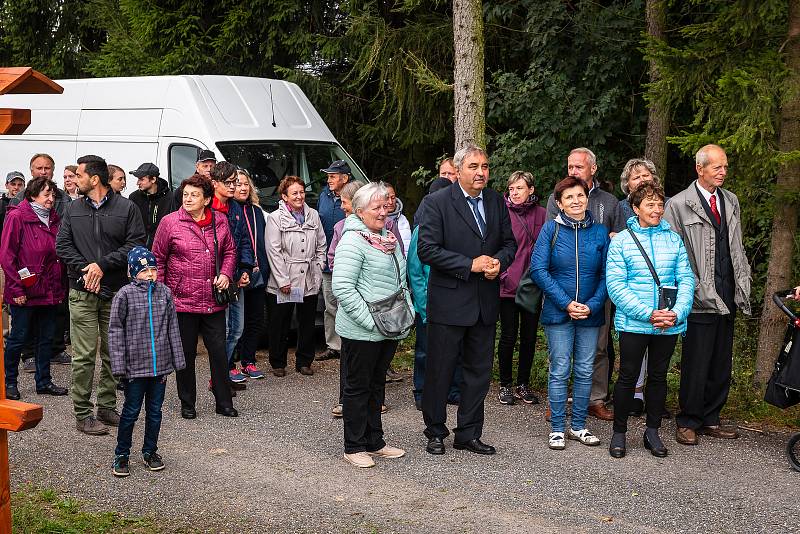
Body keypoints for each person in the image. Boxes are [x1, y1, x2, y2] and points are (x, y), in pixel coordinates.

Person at [418, 144, 517, 456]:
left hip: (485, 303)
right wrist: (469, 264)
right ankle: (435, 431)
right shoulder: (437, 202)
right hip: (449, 303)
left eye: (485, 166)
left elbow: (509, 243)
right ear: (458, 170)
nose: (481, 172)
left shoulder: (495, 201)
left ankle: (469, 433)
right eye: (474, 166)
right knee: (440, 371)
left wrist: (499, 262)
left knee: (478, 373)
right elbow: (427, 249)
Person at [663, 144, 751, 446]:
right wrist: (691, 287)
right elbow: (674, 254)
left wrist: (742, 281)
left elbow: (735, 246)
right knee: (696, 361)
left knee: (720, 360)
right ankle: (688, 420)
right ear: (700, 169)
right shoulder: (678, 204)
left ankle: (711, 417)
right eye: (717, 167)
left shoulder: (731, 201)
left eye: (725, 166)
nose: (723, 172)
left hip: (728, 291)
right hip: (699, 294)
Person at [55, 154, 146, 436]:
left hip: (115, 291)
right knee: (83, 355)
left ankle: (106, 406)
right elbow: (62, 246)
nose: (73, 180)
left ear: (94, 179)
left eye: (79, 176)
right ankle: (82, 413)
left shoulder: (127, 208)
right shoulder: (72, 209)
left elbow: (135, 244)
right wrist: (87, 270)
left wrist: (101, 266)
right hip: (82, 290)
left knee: (112, 353)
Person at [605, 182, 694, 458]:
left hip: (668, 323)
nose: (656, 210)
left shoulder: (674, 239)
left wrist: (677, 312)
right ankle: (619, 433)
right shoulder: (621, 241)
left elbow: (687, 278)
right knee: (628, 377)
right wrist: (648, 313)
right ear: (635, 208)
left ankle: (652, 432)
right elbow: (617, 286)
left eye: (659, 204)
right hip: (635, 322)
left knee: (658, 377)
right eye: (649, 205)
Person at [332, 181, 411, 468]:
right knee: (357, 388)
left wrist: (407, 310)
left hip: (388, 327)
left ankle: (374, 442)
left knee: (376, 386)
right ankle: (354, 446)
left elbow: (401, 280)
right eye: (376, 208)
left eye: (385, 206)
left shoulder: (386, 237)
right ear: (360, 211)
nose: (383, 212)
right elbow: (342, 288)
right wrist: (371, 322)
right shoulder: (353, 240)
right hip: (362, 330)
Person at [531, 176, 610, 450]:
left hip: (590, 311)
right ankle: (557, 428)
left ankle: (578, 425)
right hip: (558, 311)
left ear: (587, 198)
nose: (576, 201)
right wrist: (566, 303)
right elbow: (538, 270)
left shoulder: (600, 232)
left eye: (580, 196)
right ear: (559, 203)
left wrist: (593, 304)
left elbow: (606, 274)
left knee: (586, 369)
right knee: (560, 368)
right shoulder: (549, 230)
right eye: (569, 198)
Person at [151, 173, 238, 419]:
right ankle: (187, 402)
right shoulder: (170, 222)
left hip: (213, 299)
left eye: (194, 195)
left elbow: (230, 251)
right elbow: (157, 259)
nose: (188, 199)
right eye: (185, 194)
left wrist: (226, 274)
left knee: (219, 352)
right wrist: (162, 293)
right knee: (186, 354)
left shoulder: (220, 221)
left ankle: (224, 402)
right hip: (182, 300)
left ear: (207, 199)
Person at [545, 148, 618, 421]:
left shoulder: (610, 202)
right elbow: (547, 250)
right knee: (560, 353)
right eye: (570, 167)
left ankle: (595, 400)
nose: (573, 171)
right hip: (561, 289)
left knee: (598, 349)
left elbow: (620, 239)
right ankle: (558, 403)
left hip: (599, 287)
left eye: (578, 167)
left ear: (593, 169)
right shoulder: (557, 198)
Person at [110, 247, 186, 477]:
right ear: (133, 273)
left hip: (160, 367)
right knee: (131, 411)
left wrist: (178, 360)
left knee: (155, 411)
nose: (150, 274)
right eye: (144, 271)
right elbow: (115, 331)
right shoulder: (124, 295)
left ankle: (150, 451)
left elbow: (173, 327)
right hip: (135, 368)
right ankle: (121, 454)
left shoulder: (164, 293)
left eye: (153, 269)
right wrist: (119, 365)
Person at [0, 176, 69, 400]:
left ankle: (44, 381)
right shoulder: (17, 217)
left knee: (46, 338)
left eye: (52, 194)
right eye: (46, 194)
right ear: (32, 196)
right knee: (18, 338)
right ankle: (9, 382)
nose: (51, 199)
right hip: (25, 291)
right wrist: (16, 289)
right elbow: (7, 256)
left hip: (49, 290)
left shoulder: (55, 218)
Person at [614, 158, 668, 416]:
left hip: (660, 296)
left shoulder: (662, 213)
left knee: (657, 360)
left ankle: (651, 406)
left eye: (646, 175)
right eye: (636, 177)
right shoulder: (620, 208)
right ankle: (632, 397)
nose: (642, 180)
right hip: (631, 292)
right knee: (631, 356)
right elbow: (612, 239)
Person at [407, 180, 463, 412]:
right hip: (428, 305)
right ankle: (421, 390)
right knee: (424, 351)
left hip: (453, 303)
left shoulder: (458, 226)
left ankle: (453, 389)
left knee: (455, 350)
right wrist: (424, 305)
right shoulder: (421, 231)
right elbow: (415, 272)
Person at [265, 176, 326, 377]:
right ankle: (278, 362)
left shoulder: (313, 215)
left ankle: (304, 361)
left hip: (309, 277)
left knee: (307, 321)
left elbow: (321, 245)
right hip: (287, 279)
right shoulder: (275, 218)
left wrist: (318, 268)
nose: (299, 196)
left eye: (301, 192)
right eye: (294, 193)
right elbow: (274, 251)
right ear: (285, 196)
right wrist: (283, 280)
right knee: (281, 322)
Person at [18, 155, 73, 370]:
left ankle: (56, 348)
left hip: (57, 266)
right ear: (31, 170)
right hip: (31, 268)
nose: (43, 171)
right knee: (29, 316)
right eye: (39, 168)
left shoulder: (63, 199)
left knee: (57, 311)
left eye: (47, 168)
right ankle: (28, 353)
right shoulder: (21, 200)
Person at [497, 171, 546, 406]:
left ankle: (523, 384)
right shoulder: (501, 213)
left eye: (519, 188)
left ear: (531, 190)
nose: (514, 193)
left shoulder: (542, 214)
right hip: (506, 286)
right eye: (512, 188)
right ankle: (505, 384)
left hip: (532, 286)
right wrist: (503, 275)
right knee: (508, 336)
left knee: (528, 338)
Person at [209, 162, 254, 385]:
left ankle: (223, 372)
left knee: (237, 329)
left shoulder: (235, 208)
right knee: (224, 329)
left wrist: (245, 269)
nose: (233, 186)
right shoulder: (207, 208)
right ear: (215, 184)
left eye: (235, 182)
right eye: (228, 183)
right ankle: (219, 378)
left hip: (236, 278)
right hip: (216, 280)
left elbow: (244, 240)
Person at [327, 179, 365, 417]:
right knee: (349, 353)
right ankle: (344, 399)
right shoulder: (340, 228)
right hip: (350, 300)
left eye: (344, 201)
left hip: (376, 302)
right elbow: (332, 258)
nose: (341, 206)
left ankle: (375, 400)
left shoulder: (386, 227)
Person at [232, 168, 268, 379]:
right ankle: (230, 363)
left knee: (255, 319)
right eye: (238, 183)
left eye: (246, 183)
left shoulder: (256, 211)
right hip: (237, 273)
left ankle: (249, 360)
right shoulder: (230, 210)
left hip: (258, 272)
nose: (243, 187)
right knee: (236, 322)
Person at [318, 160, 351, 361]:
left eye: (332, 176)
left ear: (345, 178)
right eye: (328, 176)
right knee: (330, 305)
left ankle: (350, 345)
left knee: (347, 304)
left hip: (347, 260)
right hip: (327, 261)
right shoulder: (324, 195)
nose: (328, 180)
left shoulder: (356, 198)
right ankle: (333, 345)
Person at [128, 163, 173, 249]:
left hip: (162, 248)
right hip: (137, 248)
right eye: (138, 179)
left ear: (153, 179)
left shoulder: (170, 198)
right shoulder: (134, 197)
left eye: (141, 179)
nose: (138, 183)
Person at [384, 182, 411, 253]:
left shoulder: (403, 219)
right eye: (386, 198)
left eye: (393, 198)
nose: (390, 202)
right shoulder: (376, 220)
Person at [0, 171, 25, 240]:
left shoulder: (28, 205)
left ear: (24, 186)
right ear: (6, 185)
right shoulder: (1, 204)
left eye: (20, 185)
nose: (16, 187)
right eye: (13, 184)